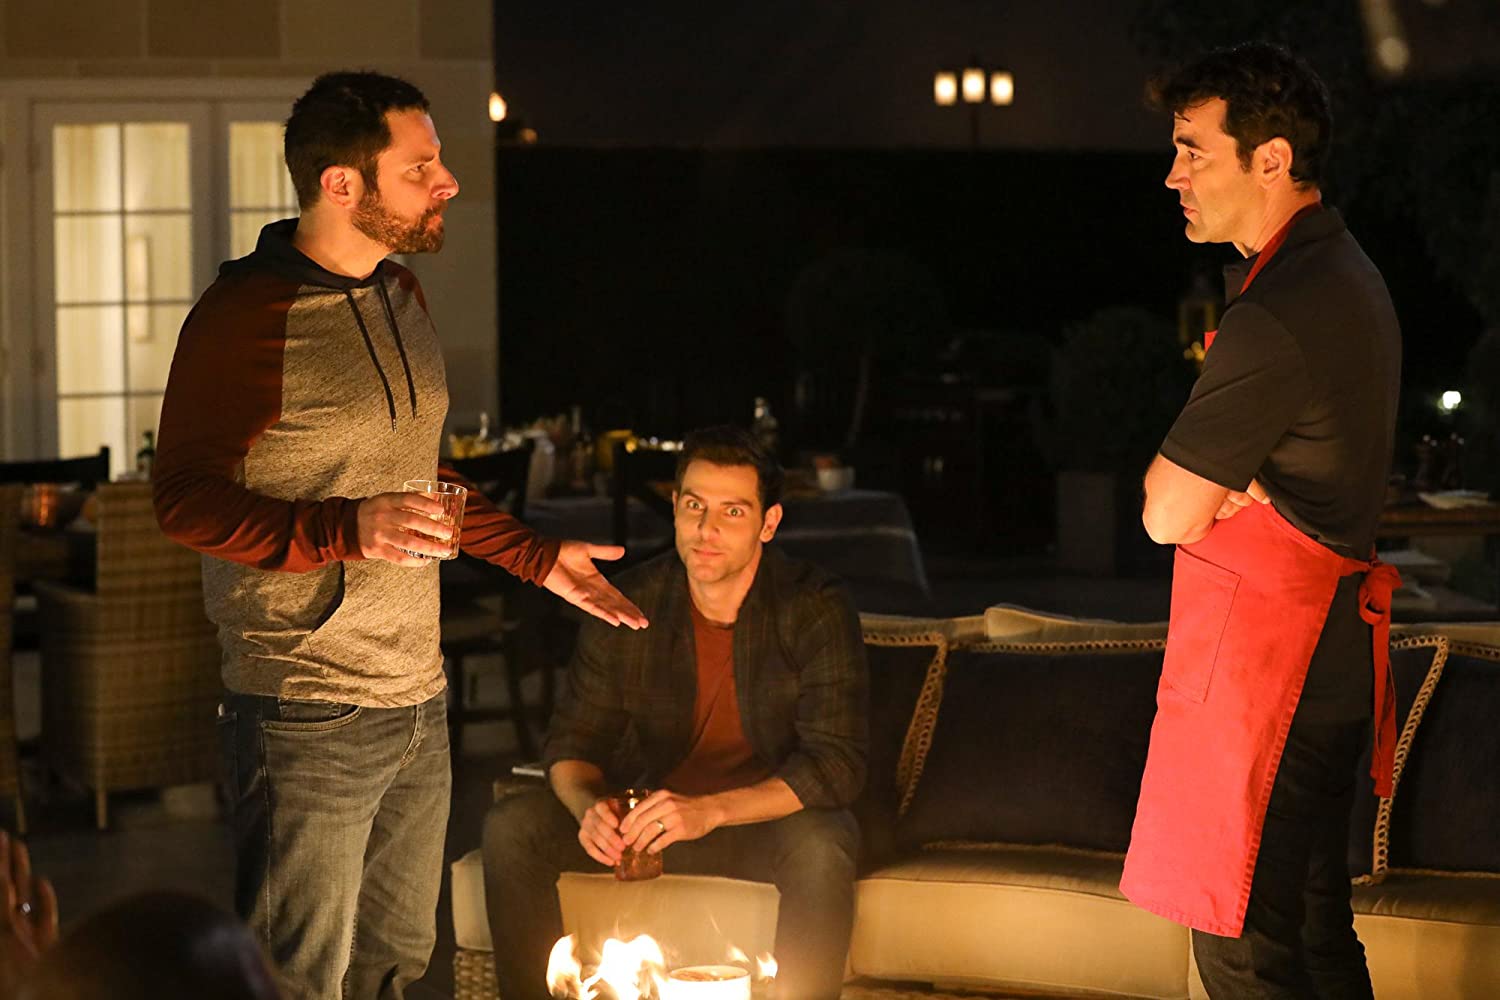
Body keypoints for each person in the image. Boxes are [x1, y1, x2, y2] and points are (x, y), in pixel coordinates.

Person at [152, 71, 646, 999]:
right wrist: (344, 527)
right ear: (342, 184)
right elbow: (181, 500)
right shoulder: (244, 317)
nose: (447, 181)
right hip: (303, 704)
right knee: (296, 977)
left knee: (395, 966)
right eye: (421, 167)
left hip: (418, 697)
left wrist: (537, 558)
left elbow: (417, 476)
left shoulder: (400, 294)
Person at [1120, 43, 1402, 998]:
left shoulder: (1279, 309)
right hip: (1328, 670)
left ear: (1271, 159)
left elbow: (1165, 512)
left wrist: (1210, 485)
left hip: (1276, 682)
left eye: (1193, 151)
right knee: (1316, 936)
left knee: (1243, 950)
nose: (1174, 176)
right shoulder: (1349, 274)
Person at [483, 425, 868, 1000]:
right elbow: (571, 744)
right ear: (675, 508)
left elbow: (837, 765)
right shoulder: (628, 602)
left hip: (761, 823)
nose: (706, 529)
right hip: (650, 825)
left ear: (768, 523)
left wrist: (709, 810)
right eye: (694, 506)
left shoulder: (812, 605)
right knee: (512, 828)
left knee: (823, 843)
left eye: (733, 512)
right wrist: (590, 809)